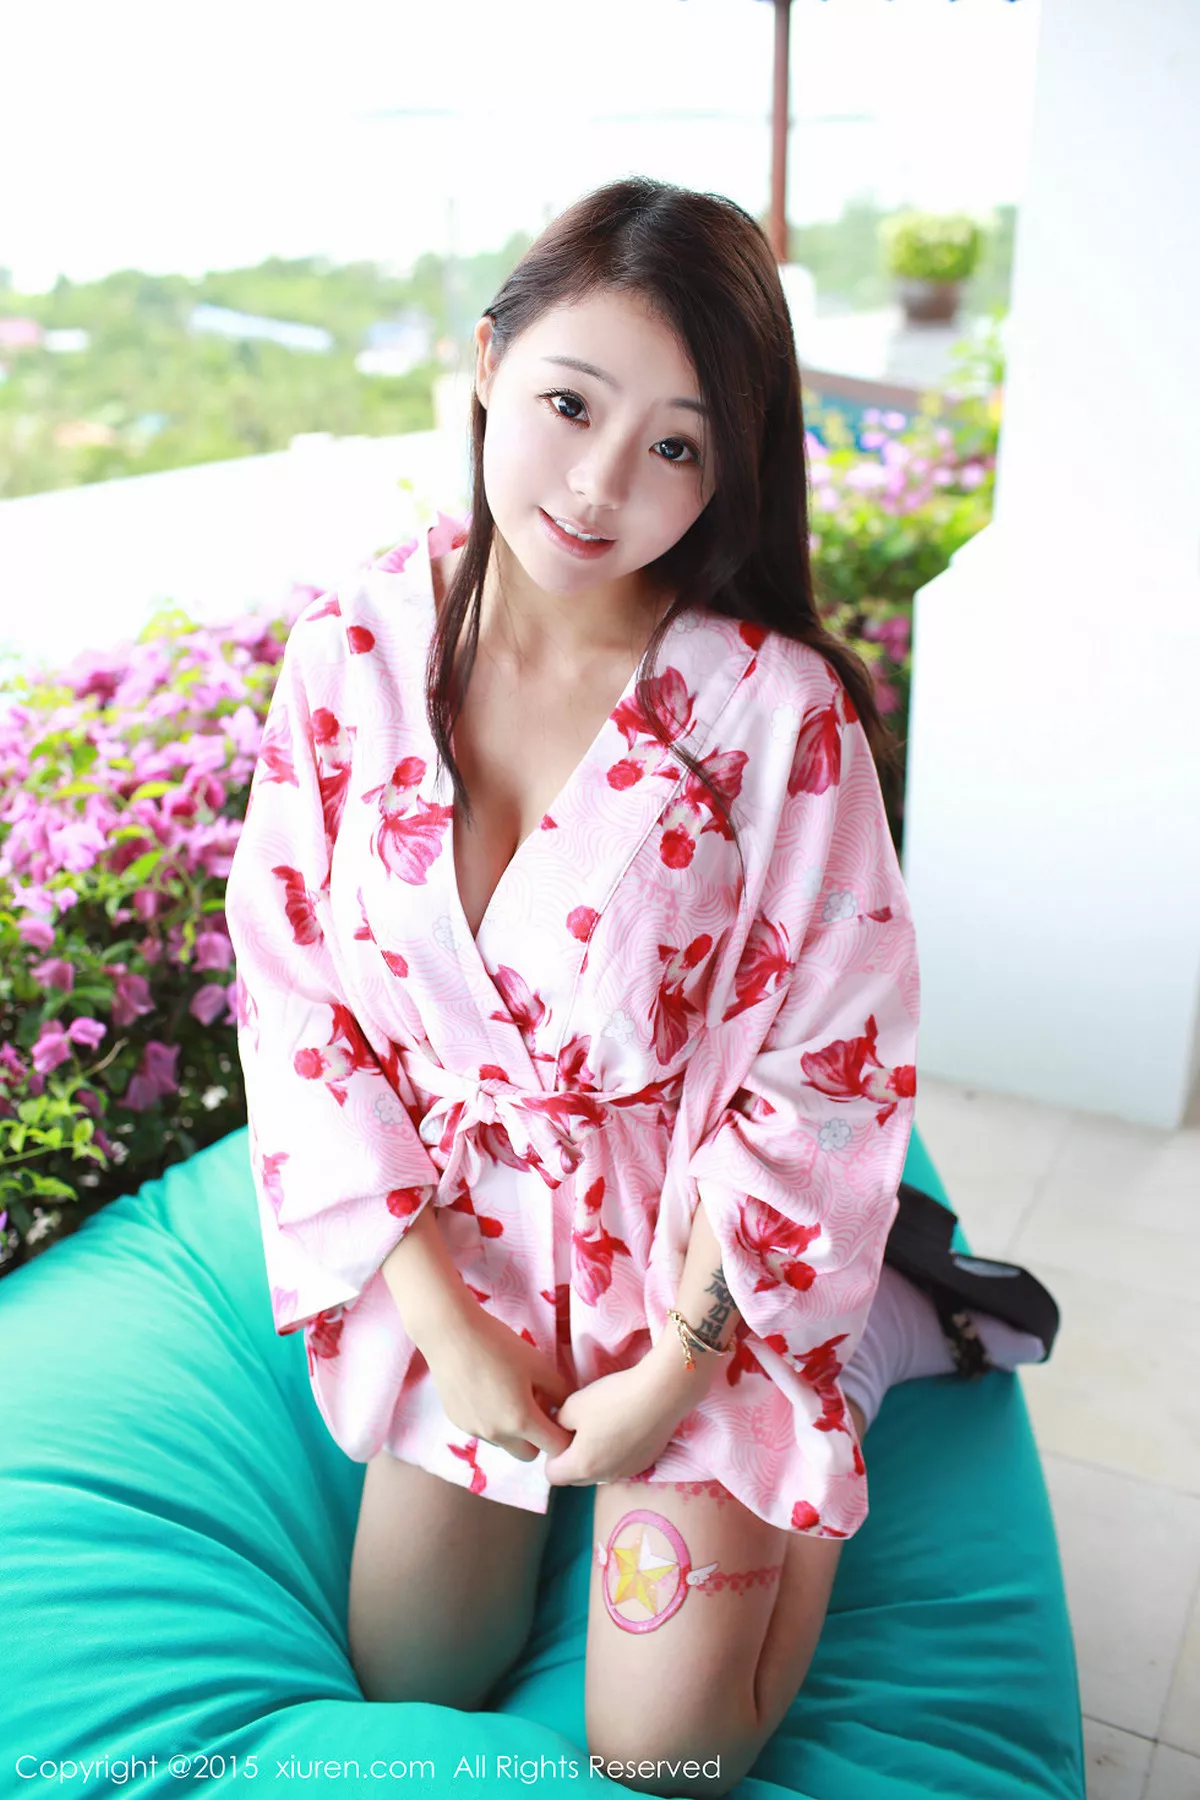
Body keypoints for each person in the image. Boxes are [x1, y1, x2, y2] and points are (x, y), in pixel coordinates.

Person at [223, 177, 1050, 1800]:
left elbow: (828, 1054)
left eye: (678, 443)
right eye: (569, 405)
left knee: (671, 1755)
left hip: (696, 1261)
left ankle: (863, 1344)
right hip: (466, 1253)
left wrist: (681, 1361)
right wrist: (447, 1327)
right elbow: (296, 997)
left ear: (731, 466)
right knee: (413, 1670)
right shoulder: (351, 655)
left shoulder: (772, 713)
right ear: (488, 363)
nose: (603, 484)